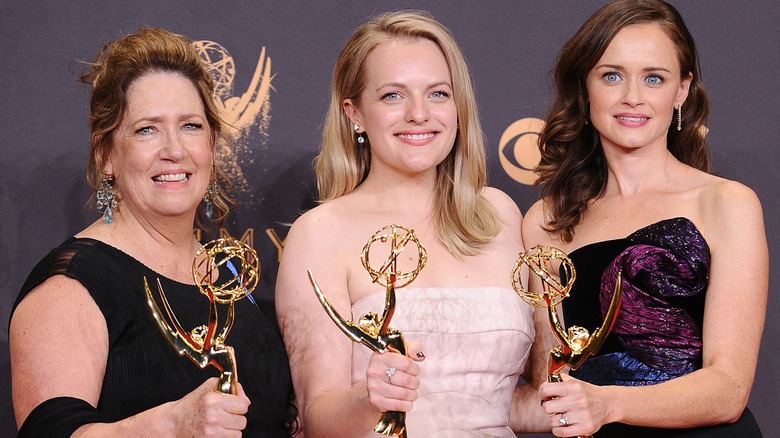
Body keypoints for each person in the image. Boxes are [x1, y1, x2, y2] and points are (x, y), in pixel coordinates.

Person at [9, 28, 295, 437]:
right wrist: (171, 425)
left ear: (212, 147)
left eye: (191, 126)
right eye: (147, 129)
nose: (174, 149)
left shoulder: (227, 277)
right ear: (106, 154)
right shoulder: (69, 287)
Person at [275, 10, 537, 437]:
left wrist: (594, 402)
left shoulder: (499, 214)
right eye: (393, 96)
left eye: (437, 94)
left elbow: (509, 401)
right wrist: (370, 397)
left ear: (458, 107)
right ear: (355, 113)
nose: (419, 113)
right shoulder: (320, 233)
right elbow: (317, 418)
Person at [521, 1, 767, 436]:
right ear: (585, 86)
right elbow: (550, 381)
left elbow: (729, 388)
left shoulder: (727, 203)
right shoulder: (547, 220)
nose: (632, 96)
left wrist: (607, 403)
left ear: (682, 90)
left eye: (654, 78)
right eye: (611, 75)